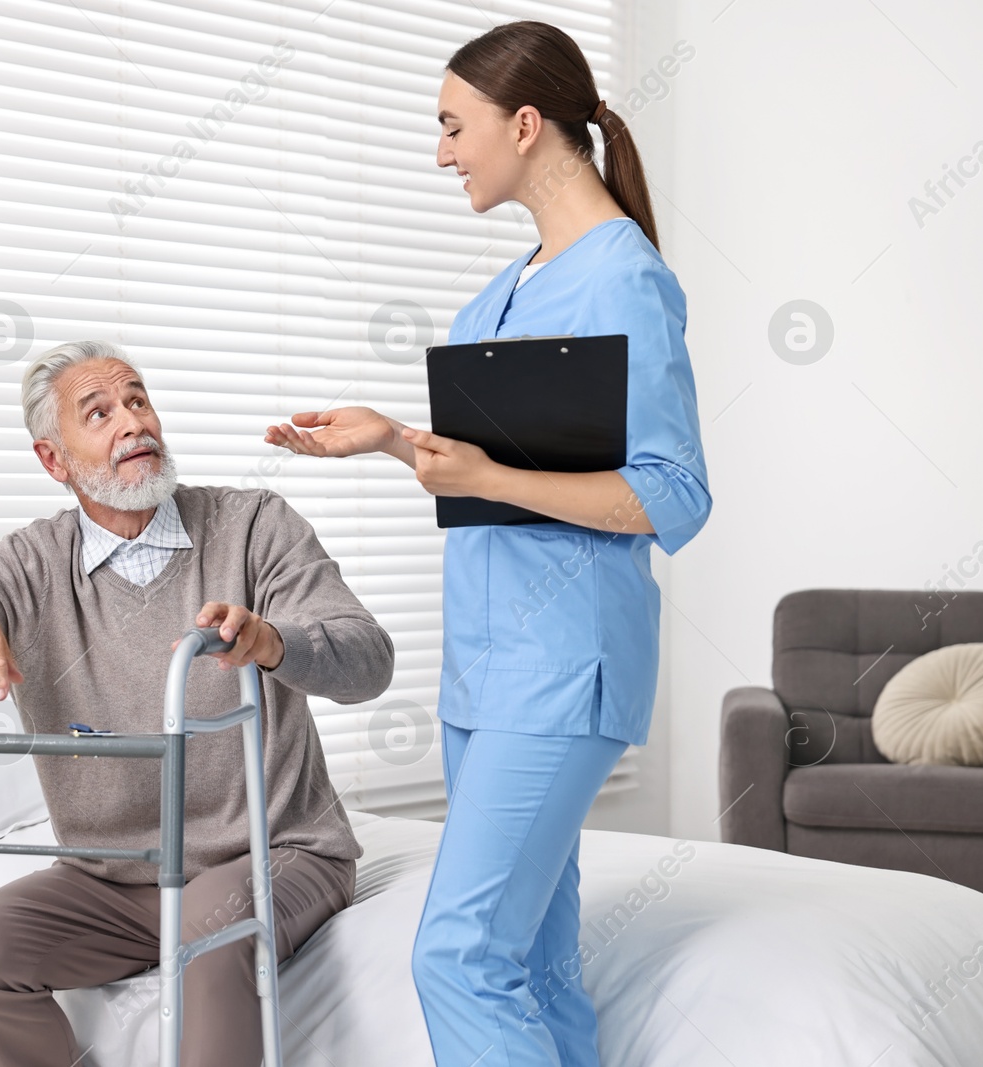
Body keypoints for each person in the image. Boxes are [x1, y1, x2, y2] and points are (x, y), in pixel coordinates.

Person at [264, 20, 713, 1067]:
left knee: (455, 953)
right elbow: (492, 458)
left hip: (561, 672)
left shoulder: (622, 279)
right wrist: (387, 436)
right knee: (535, 962)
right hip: (482, 675)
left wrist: (488, 475)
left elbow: (673, 495)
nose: (440, 152)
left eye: (451, 126)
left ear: (522, 122)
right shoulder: (505, 286)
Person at [0, 339, 394, 1067]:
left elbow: (368, 660)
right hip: (111, 882)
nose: (132, 422)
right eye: (101, 411)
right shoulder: (33, 564)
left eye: (138, 399)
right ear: (54, 460)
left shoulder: (253, 525)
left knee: (207, 933)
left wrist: (275, 643)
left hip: (274, 854)